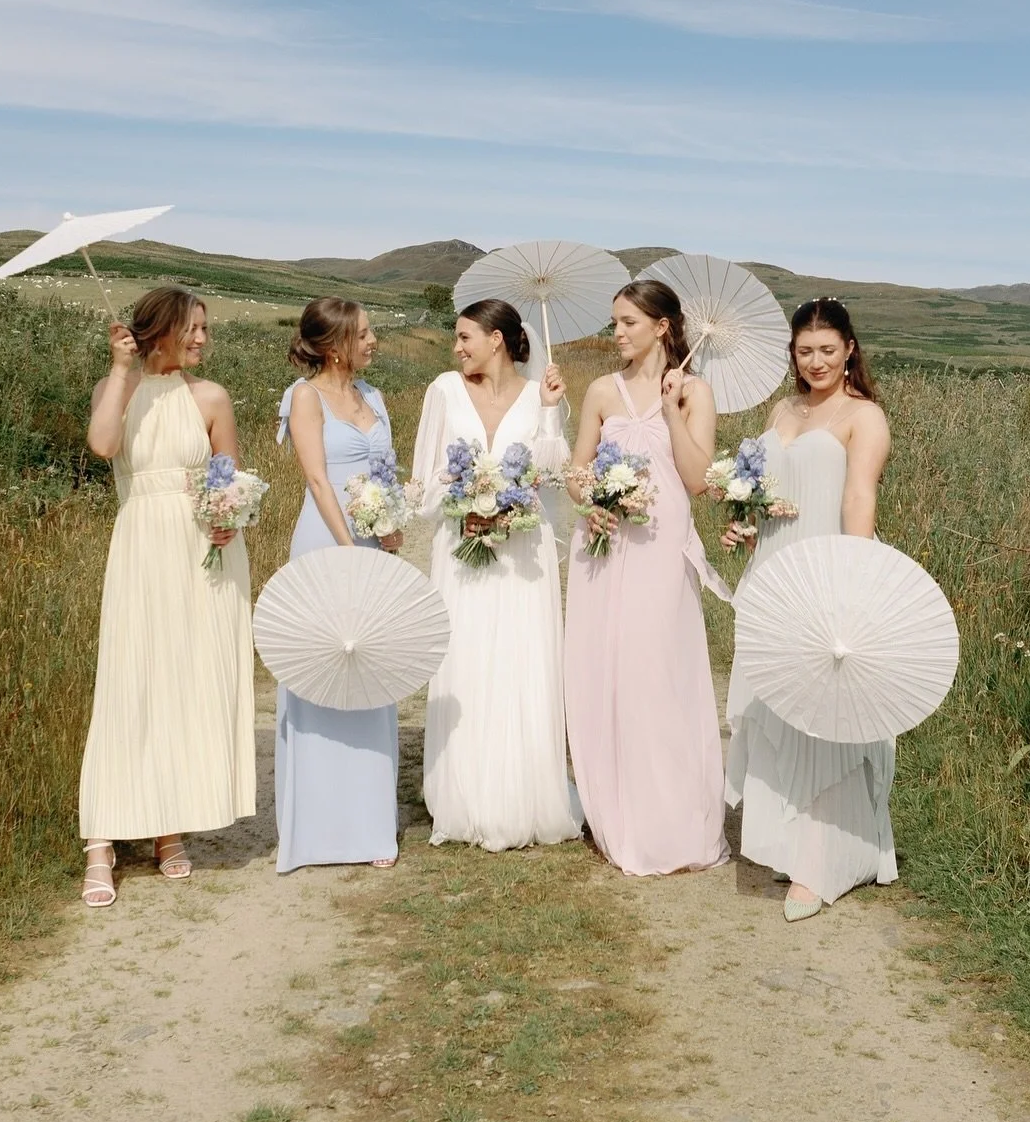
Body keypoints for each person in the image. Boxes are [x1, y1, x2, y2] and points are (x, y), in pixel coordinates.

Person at [78, 286, 256, 906]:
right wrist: (121, 369)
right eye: (193, 328)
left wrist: (229, 515)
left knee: (182, 684)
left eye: (206, 328)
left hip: (204, 553)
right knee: (129, 684)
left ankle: (166, 829)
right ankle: (100, 842)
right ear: (159, 330)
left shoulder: (211, 397)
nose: (203, 339)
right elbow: (103, 447)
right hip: (142, 549)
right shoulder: (116, 391)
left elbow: (228, 476)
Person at [723, 296, 894, 921]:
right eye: (804, 351)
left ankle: (822, 863)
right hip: (771, 569)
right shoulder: (782, 409)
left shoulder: (863, 416)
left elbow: (857, 495)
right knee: (774, 706)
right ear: (792, 354)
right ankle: (783, 839)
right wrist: (745, 523)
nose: (816, 361)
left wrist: (851, 579)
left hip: (824, 570)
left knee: (823, 714)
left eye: (827, 349)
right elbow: (769, 491)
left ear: (849, 349)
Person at [564, 279, 727, 875]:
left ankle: (668, 816)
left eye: (628, 322)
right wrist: (591, 502)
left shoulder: (695, 392)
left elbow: (697, 481)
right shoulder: (601, 391)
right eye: (615, 322)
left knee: (655, 670)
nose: (617, 333)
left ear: (662, 326)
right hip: (603, 545)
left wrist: (669, 410)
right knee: (603, 670)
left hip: (661, 548)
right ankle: (613, 808)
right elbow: (576, 470)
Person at [411, 298, 581, 851]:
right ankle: (461, 795)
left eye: (465, 337)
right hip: (460, 547)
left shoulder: (540, 394)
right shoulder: (443, 390)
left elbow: (554, 471)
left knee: (519, 659)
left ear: (497, 339)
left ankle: (522, 795)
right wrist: (466, 501)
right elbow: (424, 479)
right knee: (465, 657)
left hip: (521, 553)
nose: (456, 347)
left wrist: (554, 410)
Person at [274, 297, 401, 873]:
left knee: (372, 677)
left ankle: (371, 825)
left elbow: (385, 472)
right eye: (366, 333)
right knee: (324, 676)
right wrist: (352, 550)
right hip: (328, 545)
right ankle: (319, 830)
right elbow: (319, 481)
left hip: (375, 545)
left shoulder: (372, 397)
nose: (374, 341)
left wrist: (391, 527)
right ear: (334, 345)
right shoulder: (306, 396)